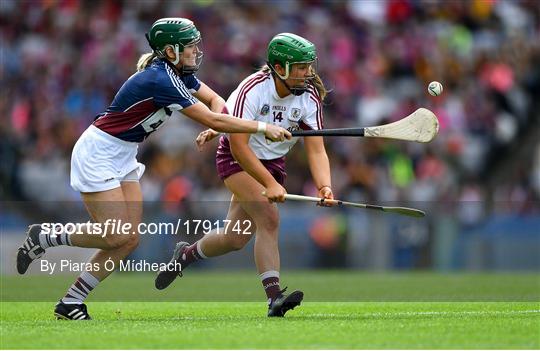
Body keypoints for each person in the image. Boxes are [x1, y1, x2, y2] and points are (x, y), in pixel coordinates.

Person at [15, 18, 291, 320]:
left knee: (129, 239)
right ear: (170, 51)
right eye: (190, 46)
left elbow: (214, 102)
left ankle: (71, 302)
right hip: (98, 152)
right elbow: (211, 119)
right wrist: (261, 127)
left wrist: (223, 125)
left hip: (124, 154)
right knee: (114, 234)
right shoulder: (162, 80)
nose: (196, 51)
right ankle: (46, 237)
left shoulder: (178, 74)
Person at [155, 33, 333, 317]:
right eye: (301, 67)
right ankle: (274, 298)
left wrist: (324, 186)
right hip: (237, 157)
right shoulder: (252, 90)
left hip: (273, 162)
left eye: (309, 66)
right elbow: (238, 145)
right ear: (280, 66)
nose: (308, 73)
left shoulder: (309, 96)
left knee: (234, 238)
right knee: (269, 218)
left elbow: (316, 150)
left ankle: (186, 255)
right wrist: (270, 184)